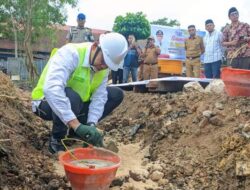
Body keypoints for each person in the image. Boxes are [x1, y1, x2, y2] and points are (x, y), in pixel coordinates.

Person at [31, 32, 128, 154]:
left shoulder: (103, 68)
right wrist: (77, 125)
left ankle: (76, 133)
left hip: (75, 105)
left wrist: (91, 125)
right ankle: (57, 139)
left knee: (115, 94)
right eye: (103, 60)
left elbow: (99, 98)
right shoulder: (71, 53)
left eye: (108, 65)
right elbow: (52, 89)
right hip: (45, 102)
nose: (103, 66)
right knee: (72, 96)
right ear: (95, 47)